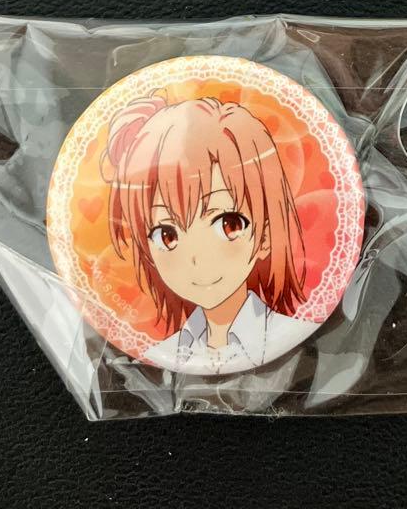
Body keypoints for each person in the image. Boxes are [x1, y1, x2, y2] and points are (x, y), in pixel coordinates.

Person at [102, 94, 305, 374]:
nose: (197, 259)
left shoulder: (289, 334)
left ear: (265, 236)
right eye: (167, 235)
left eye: (228, 224)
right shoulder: (160, 354)